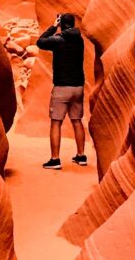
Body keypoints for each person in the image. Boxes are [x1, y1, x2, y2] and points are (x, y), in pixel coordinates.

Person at [36, 12, 86, 169]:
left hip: (62, 87)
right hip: (78, 87)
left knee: (56, 123)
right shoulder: (80, 40)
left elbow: (40, 42)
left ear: (62, 24)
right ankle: (81, 156)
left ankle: (55, 159)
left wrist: (53, 26)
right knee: (77, 121)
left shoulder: (58, 40)